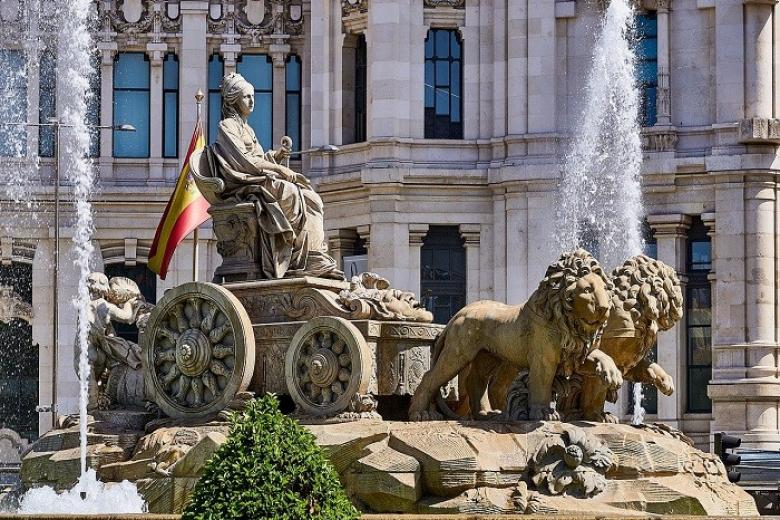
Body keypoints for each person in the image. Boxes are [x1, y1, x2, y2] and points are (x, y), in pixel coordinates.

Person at [204, 72, 342, 280]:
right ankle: (293, 256)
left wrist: (277, 156)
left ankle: (312, 255)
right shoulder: (227, 127)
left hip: (259, 178)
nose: (252, 102)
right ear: (233, 99)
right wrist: (280, 170)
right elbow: (244, 162)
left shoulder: (247, 129)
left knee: (311, 197)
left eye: (253, 97)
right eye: (246, 97)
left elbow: (259, 157)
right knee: (291, 193)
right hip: (243, 183)